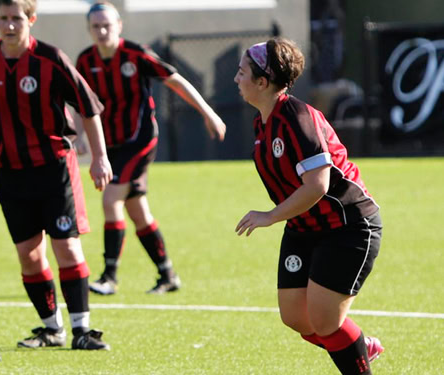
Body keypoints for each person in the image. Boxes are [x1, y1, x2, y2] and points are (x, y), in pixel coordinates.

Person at [0, 0, 113, 351]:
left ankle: (82, 330)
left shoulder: (50, 58)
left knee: (67, 249)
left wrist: (100, 158)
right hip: (10, 174)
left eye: (16, 18)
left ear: (31, 19)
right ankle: (51, 329)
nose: (9, 25)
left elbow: (88, 108)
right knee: (29, 255)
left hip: (54, 169)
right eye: (3, 18)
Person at [233, 37, 384, 374]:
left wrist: (270, 216)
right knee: (296, 317)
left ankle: (353, 350)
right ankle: (358, 343)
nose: (236, 79)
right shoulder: (263, 123)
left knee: (325, 322)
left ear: (262, 82)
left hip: (347, 226)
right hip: (305, 227)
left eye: (242, 72)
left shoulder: (298, 118)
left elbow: (318, 185)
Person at [74, 2, 227, 296]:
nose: (102, 31)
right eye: (96, 26)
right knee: (137, 211)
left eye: (107, 25)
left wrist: (208, 113)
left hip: (140, 140)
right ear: (89, 30)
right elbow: (83, 105)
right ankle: (167, 274)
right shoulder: (85, 61)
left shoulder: (136, 53)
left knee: (110, 201)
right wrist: (81, 135)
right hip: (111, 146)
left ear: (119, 25)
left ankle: (109, 276)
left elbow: (176, 82)